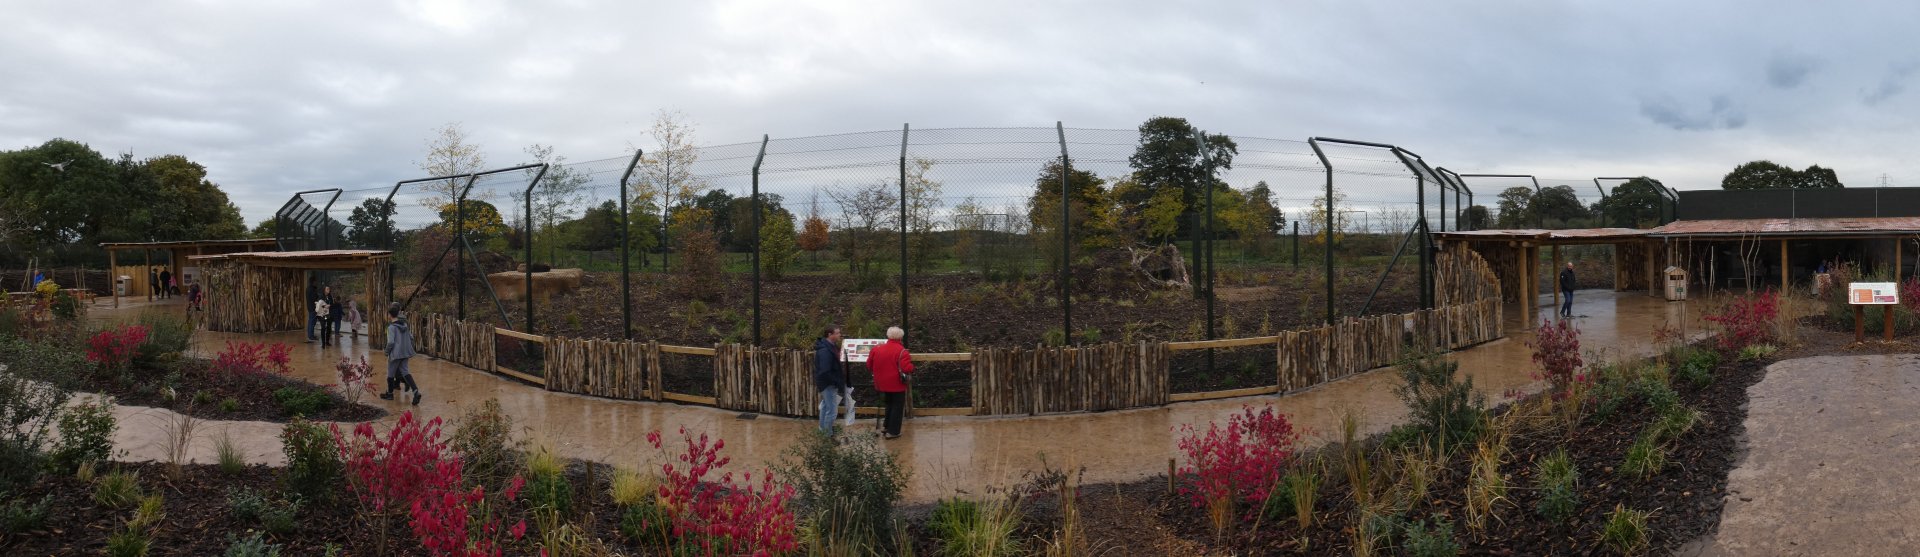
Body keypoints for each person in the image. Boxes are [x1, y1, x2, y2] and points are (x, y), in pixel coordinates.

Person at [867, 326, 914, 439]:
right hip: (896, 384)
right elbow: (906, 368)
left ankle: (886, 426)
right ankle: (893, 432)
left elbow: (869, 365)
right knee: (897, 407)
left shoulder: (876, 349)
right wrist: (912, 367)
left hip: (881, 383)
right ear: (901, 337)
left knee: (889, 404)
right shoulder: (902, 351)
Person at [380, 307, 423, 405]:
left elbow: (390, 342)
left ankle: (390, 394)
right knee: (405, 372)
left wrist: (386, 352)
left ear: (390, 315)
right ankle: (416, 391)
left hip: (395, 354)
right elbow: (411, 338)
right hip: (405, 353)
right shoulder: (404, 325)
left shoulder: (391, 328)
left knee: (390, 374)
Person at [813, 326, 847, 433]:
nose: (839, 335)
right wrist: (835, 381)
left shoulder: (830, 346)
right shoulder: (825, 351)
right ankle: (828, 436)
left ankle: (823, 429)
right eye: (837, 333)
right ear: (830, 335)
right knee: (831, 410)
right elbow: (825, 370)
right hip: (828, 384)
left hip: (827, 383)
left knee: (824, 406)